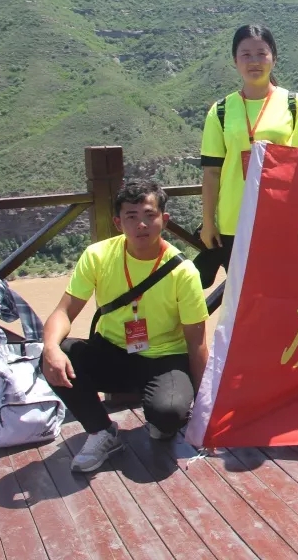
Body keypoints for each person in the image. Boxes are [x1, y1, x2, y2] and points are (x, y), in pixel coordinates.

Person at [41, 180, 210, 473]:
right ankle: (101, 431)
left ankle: (162, 419)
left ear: (164, 219)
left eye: (149, 215)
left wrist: (207, 409)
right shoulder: (98, 256)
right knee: (55, 356)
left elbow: (197, 344)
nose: (141, 224)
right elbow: (64, 312)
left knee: (169, 414)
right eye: (131, 216)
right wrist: (50, 347)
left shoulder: (184, 272)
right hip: (113, 352)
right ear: (118, 223)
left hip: (164, 358)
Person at [195, 25, 298, 288]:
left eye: (261, 53)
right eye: (245, 54)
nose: (254, 61)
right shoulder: (221, 110)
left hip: (282, 217)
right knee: (241, 293)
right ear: (235, 60)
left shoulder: (295, 104)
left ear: (274, 58)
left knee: (281, 291)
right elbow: (211, 172)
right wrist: (208, 223)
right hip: (234, 221)